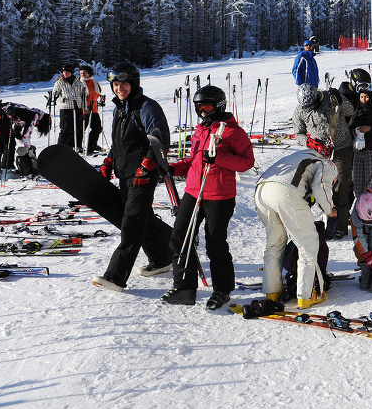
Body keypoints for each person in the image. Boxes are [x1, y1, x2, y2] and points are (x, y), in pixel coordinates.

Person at [161, 86, 255, 309]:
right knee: (180, 238)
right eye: (198, 107)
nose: (202, 111)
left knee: (214, 244)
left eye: (207, 107)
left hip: (219, 196)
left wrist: (219, 158)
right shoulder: (200, 130)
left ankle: (222, 290)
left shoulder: (233, 132)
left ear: (219, 106)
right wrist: (172, 169)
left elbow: (247, 162)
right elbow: (194, 160)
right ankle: (184, 287)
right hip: (193, 192)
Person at [92, 62, 174, 292]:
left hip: (142, 176)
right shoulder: (120, 108)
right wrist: (110, 160)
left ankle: (116, 276)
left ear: (134, 83)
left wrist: (147, 167)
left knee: (131, 223)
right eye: (115, 84)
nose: (119, 88)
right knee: (142, 217)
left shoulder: (147, 107)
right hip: (125, 173)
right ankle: (163, 257)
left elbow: (159, 140)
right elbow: (121, 143)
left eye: (124, 84)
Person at [254, 147, 338, 309]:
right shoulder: (328, 164)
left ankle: (272, 291)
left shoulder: (298, 156)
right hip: (286, 192)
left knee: (274, 244)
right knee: (308, 244)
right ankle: (306, 296)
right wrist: (330, 210)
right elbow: (321, 187)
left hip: (262, 191)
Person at [293, 82, 355, 239]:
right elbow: (298, 132)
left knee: (340, 185)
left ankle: (340, 226)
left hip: (341, 147)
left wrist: (340, 99)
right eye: (308, 107)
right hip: (319, 153)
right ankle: (315, 222)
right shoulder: (301, 110)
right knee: (318, 187)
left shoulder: (331, 98)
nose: (311, 108)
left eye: (313, 105)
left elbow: (350, 110)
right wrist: (307, 142)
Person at [0, 102, 50, 181]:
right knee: (9, 145)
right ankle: (7, 172)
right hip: (1, 116)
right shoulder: (34, 116)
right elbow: (26, 136)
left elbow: (17, 133)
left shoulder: (26, 112)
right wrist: (28, 147)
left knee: (0, 146)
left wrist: (26, 145)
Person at [52, 63, 87, 152]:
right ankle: (61, 148)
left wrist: (84, 107)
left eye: (67, 72)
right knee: (66, 128)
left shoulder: (78, 82)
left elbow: (83, 95)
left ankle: (76, 145)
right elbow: (54, 95)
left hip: (77, 107)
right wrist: (61, 99)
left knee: (78, 127)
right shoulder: (59, 82)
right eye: (64, 72)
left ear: (71, 72)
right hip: (65, 108)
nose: (65, 74)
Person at [79, 65, 104, 155]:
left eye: (84, 73)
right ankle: (78, 146)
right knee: (82, 129)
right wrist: (84, 108)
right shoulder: (79, 83)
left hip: (94, 109)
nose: (83, 75)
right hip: (84, 110)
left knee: (97, 128)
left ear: (89, 73)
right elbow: (79, 98)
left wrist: (99, 102)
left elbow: (96, 94)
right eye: (81, 73)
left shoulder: (95, 83)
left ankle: (91, 145)